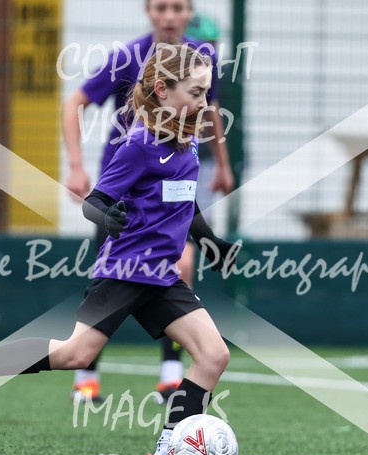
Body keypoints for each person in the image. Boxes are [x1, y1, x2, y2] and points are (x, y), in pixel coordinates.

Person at [0, 44, 240, 455]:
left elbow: (186, 202)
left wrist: (211, 242)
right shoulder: (139, 144)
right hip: (125, 271)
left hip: (161, 275)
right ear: (163, 90)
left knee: (214, 355)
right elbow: (95, 202)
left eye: (206, 93)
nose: (204, 103)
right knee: (75, 354)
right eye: (196, 93)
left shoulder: (189, 143)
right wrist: (109, 217)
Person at [62, 0, 234, 403]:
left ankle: (171, 376)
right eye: (161, 7)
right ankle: (85, 375)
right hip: (123, 189)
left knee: (182, 266)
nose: (169, 16)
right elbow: (74, 103)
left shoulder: (201, 59)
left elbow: (210, 110)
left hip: (173, 179)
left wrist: (223, 164)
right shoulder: (127, 58)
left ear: (189, 12)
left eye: (178, 7)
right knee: (111, 277)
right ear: (149, 12)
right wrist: (75, 166)